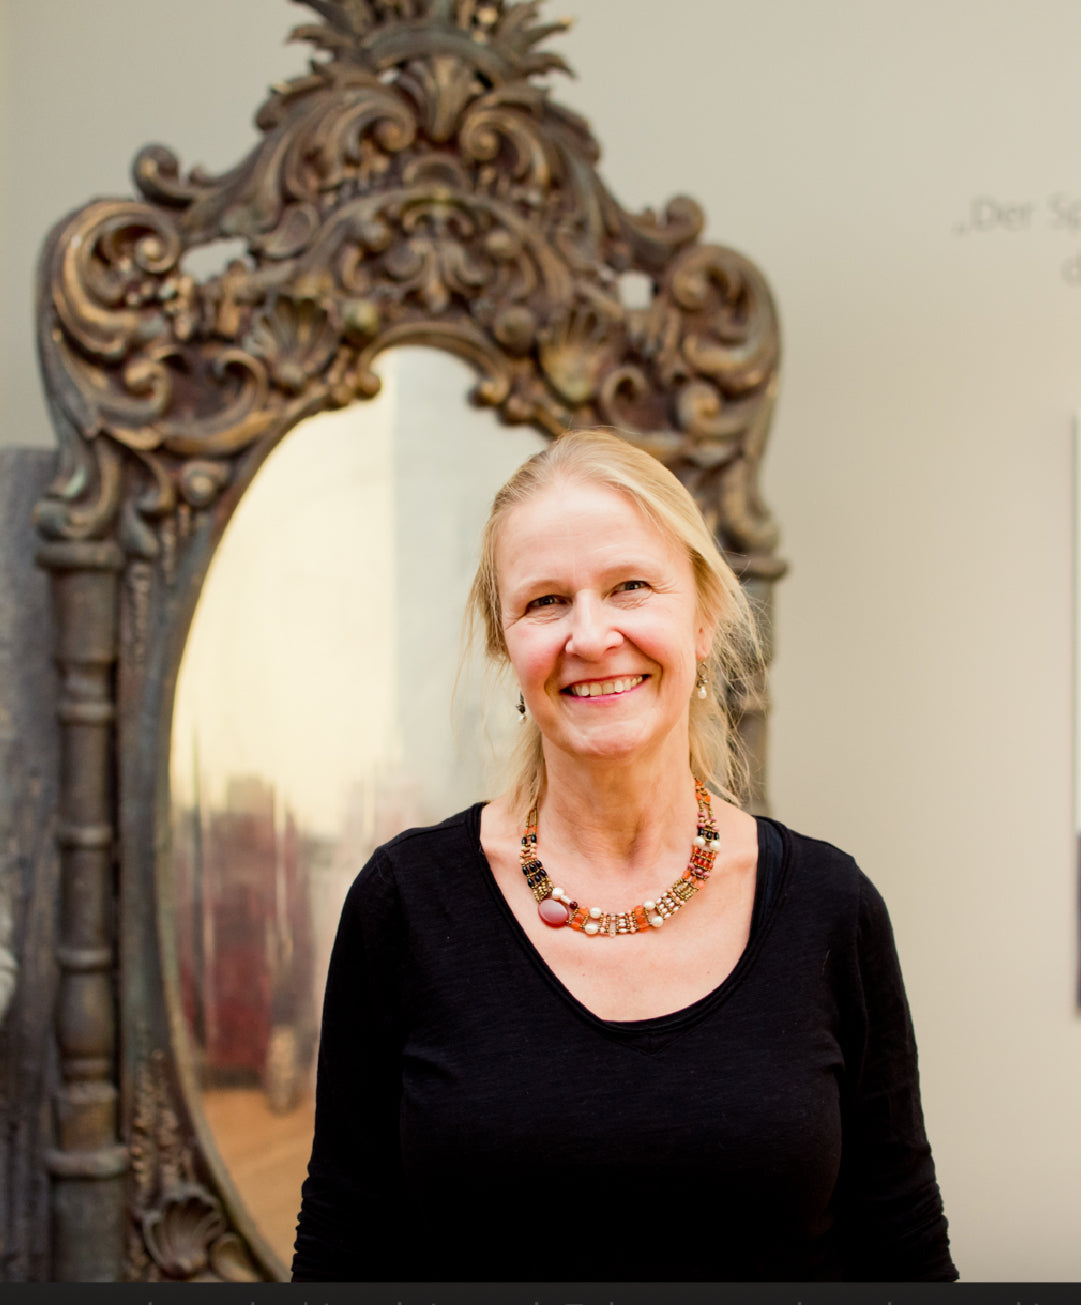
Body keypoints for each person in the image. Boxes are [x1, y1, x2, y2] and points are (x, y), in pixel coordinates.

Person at [291, 429, 956, 1282]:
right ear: (505, 645)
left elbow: (901, 1246)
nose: (591, 634)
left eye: (630, 586)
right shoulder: (406, 903)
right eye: (544, 601)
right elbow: (344, 1243)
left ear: (704, 614)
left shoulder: (831, 905)